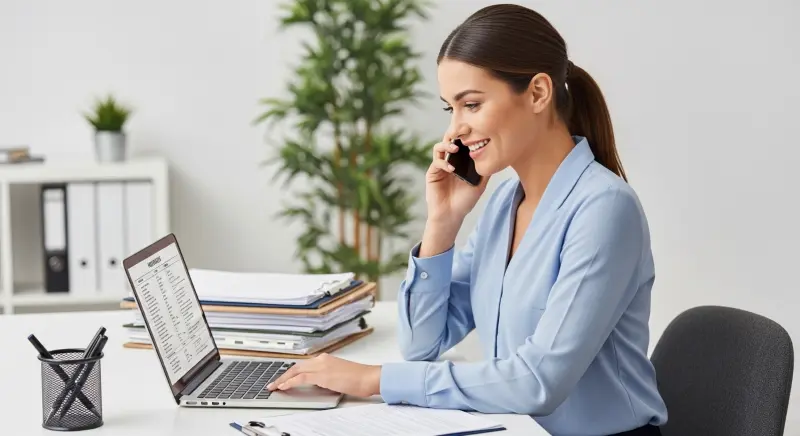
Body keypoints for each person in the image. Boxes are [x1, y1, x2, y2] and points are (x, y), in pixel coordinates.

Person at [268, 4, 668, 435]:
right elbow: (423, 344)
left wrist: (374, 380)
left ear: (537, 93)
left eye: (472, 104)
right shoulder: (502, 205)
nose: (456, 129)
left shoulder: (604, 210)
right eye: (450, 109)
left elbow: (538, 382)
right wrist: (443, 222)